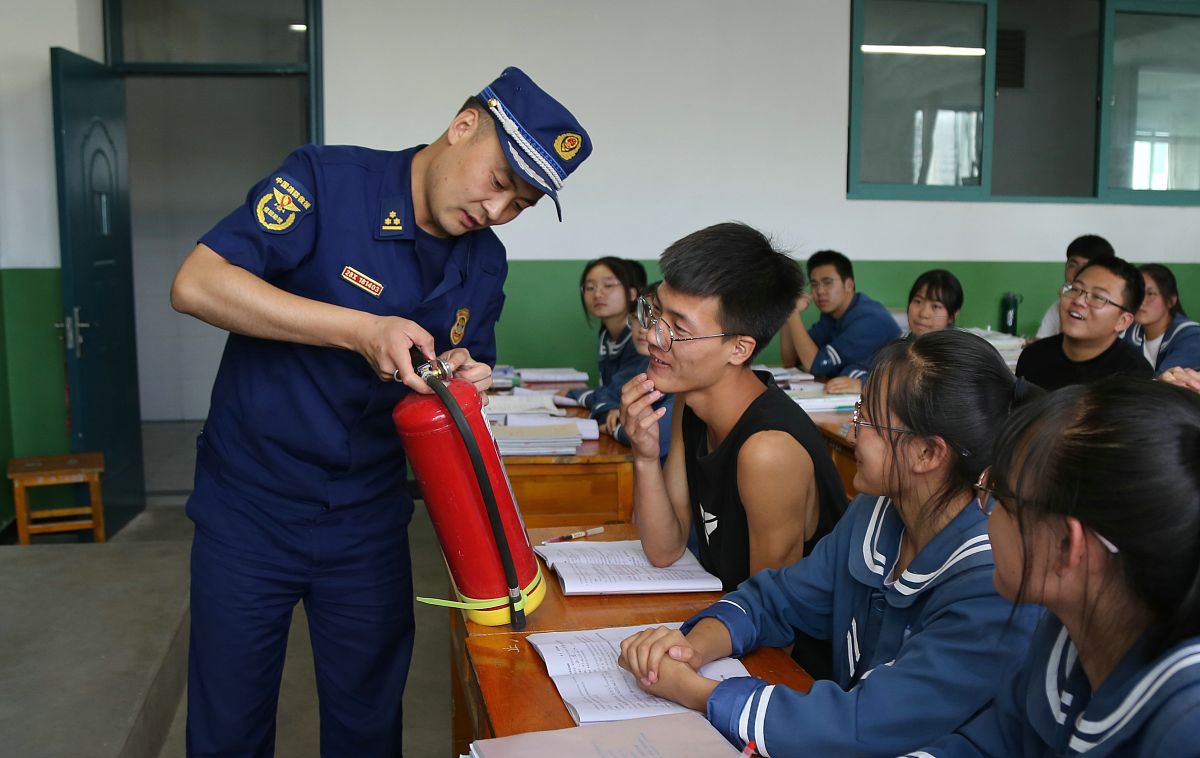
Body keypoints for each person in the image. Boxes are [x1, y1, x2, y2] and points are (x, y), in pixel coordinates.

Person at [170, 67, 592, 756]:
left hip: (367, 516)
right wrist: (361, 330)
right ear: (463, 126)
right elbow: (197, 284)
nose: (496, 209)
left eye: (521, 203)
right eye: (497, 180)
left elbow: (463, 372)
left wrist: (465, 379)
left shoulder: (485, 265)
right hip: (251, 507)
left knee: (367, 724)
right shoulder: (327, 182)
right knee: (230, 723)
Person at [618, 330, 1042, 757]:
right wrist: (690, 647)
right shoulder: (877, 511)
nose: (852, 433)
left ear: (928, 454)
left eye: (867, 419)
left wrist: (698, 692)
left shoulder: (994, 581)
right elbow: (777, 598)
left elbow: (864, 723)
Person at [902, 378, 1200, 757]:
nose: (987, 515)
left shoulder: (1185, 728)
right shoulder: (1065, 631)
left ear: (1066, 547)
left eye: (999, 496)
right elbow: (985, 747)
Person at [619, 223, 847, 593]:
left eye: (679, 329)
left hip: (782, 631)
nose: (652, 335)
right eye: (655, 312)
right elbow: (665, 549)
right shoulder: (691, 403)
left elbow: (771, 614)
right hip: (733, 615)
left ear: (739, 349)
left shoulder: (768, 451)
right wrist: (644, 457)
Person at [1017, 257, 1152, 391]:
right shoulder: (1033, 356)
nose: (1079, 301)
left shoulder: (1135, 377)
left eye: (1098, 297)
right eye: (1075, 289)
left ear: (1122, 321)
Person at [825, 268, 963, 395]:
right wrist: (862, 382)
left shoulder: (957, 355)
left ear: (952, 315)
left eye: (935, 306)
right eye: (918, 301)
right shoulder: (900, 344)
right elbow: (854, 369)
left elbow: (922, 391)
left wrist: (869, 385)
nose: (923, 313)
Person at [779, 249, 901, 379]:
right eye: (814, 284)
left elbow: (814, 365)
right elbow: (791, 361)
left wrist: (793, 312)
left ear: (849, 285)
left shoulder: (869, 320)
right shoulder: (831, 315)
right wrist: (789, 312)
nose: (819, 291)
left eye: (827, 282)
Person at [565, 257, 644, 417]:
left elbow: (615, 396)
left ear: (631, 293)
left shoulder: (640, 339)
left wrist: (574, 393)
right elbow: (609, 392)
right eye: (590, 287)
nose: (598, 294)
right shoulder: (606, 335)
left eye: (608, 285)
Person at [607, 281, 673, 459]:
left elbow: (653, 437)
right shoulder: (644, 366)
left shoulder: (681, 392)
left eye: (679, 327)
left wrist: (616, 428)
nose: (647, 331)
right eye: (640, 319)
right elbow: (608, 394)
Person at [1123, 263, 1200, 374]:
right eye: (1137, 293)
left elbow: (1167, 381)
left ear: (1171, 301)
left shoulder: (1192, 336)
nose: (1141, 301)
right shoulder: (1129, 332)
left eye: (1150, 293)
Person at [1035, 234, 1115, 339]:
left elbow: (1076, 345)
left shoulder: (1107, 310)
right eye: (1073, 265)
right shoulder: (1058, 306)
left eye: (1086, 267)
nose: (1077, 273)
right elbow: (1042, 343)